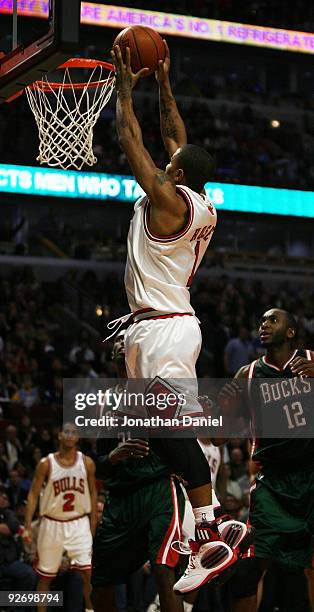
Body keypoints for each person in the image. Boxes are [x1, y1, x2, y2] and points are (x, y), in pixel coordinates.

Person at [110, 40, 250, 595]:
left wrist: (126, 88)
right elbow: (175, 140)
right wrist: (165, 85)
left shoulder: (169, 200)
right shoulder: (199, 199)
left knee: (169, 427)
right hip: (156, 326)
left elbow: (130, 141)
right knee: (157, 430)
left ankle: (211, 525)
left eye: (170, 164)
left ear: (177, 174)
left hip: (164, 324)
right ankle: (203, 530)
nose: (166, 163)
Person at [218, 308, 314, 612]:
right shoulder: (246, 374)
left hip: (310, 477)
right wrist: (222, 405)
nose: (263, 324)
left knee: (306, 569)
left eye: (273, 320)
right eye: (261, 320)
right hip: (272, 481)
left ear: (291, 331)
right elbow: (219, 436)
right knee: (251, 565)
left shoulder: (312, 361)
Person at [91, 331, 186, 612]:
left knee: (163, 570)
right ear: (114, 358)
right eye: (118, 344)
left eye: (129, 342)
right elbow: (98, 463)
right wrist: (113, 456)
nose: (123, 345)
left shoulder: (160, 391)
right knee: (102, 582)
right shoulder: (103, 400)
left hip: (159, 490)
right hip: (120, 497)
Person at [23, 423, 97, 612]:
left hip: (79, 522)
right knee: (45, 577)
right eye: (66, 432)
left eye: (74, 432)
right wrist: (27, 526)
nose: (70, 435)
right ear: (59, 436)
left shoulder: (87, 462)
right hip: (52, 524)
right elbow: (32, 495)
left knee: (88, 573)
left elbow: (94, 494)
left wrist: (93, 523)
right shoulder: (46, 464)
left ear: (78, 437)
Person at [0, 486, 37, 612]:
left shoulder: (7, 513)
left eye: (5, 497)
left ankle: (16, 609)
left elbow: (11, 527)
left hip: (6, 560)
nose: (3, 499)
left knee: (29, 574)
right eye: (1, 496)